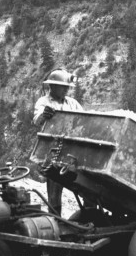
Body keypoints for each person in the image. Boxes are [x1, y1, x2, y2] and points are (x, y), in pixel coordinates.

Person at [33, 68, 84, 215]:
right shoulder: (43, 102)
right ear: (53, 86)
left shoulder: (72, 103)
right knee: (54, 189)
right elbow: (37, 120)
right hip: (53, 150)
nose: (66, 90)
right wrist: (44, 115)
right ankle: (55, 219)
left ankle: (89, 214)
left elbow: (83, 120)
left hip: (72, 150)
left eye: (68, 87)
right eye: (63, 87)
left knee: (85, 185)